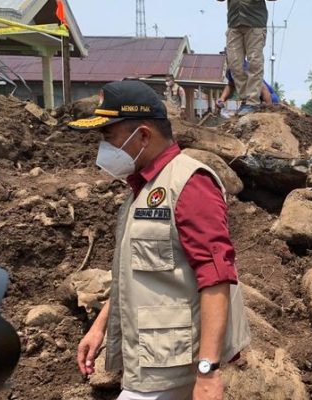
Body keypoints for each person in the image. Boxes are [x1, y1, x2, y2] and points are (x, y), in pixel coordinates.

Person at [69, 81, 250, 400]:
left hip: (174, 366)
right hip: (148, 361)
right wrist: (99, 327)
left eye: (109, 137)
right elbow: (136, 274)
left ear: (142, 136)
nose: (103, 148)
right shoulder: (141, 190)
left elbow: (216, 279)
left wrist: (208, 372)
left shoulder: (189, 184)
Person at [218, 0, 275, 116]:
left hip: (255, 23)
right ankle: (245, 100)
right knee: (234, 65)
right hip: (234, 23)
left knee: (254, 62)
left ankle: (252, 102)